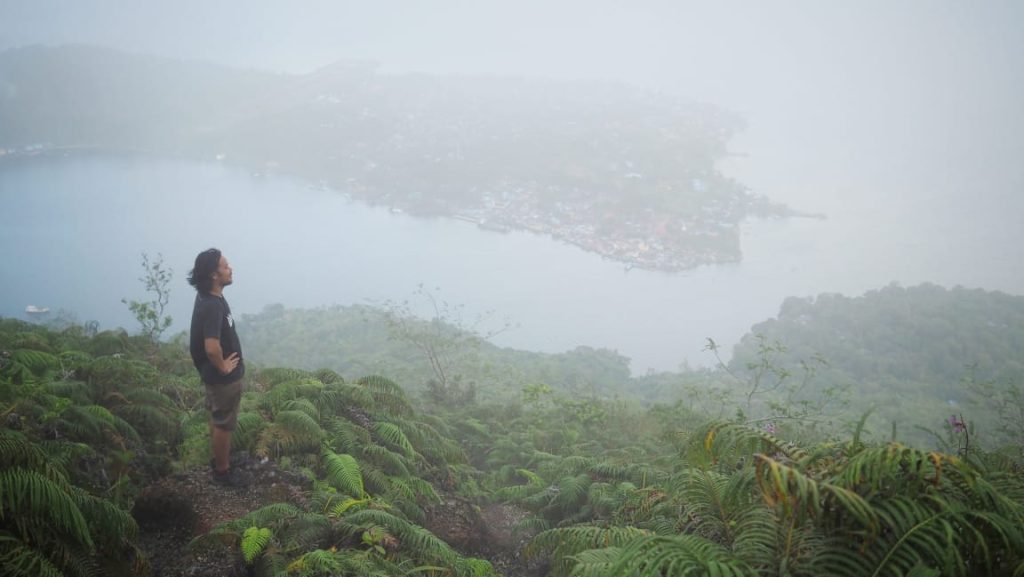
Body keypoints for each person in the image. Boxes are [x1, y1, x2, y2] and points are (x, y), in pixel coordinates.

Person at [188, 248, 248, 486]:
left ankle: (219, 462)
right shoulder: (212, 305)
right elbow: (211, 346)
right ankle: (223, 472)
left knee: (217, 417)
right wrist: (223, 366)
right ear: (214, 275)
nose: (230, 268)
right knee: (224, 423)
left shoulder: (207, 297)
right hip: (223, 379)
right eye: (225, 266)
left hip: (214, 375)